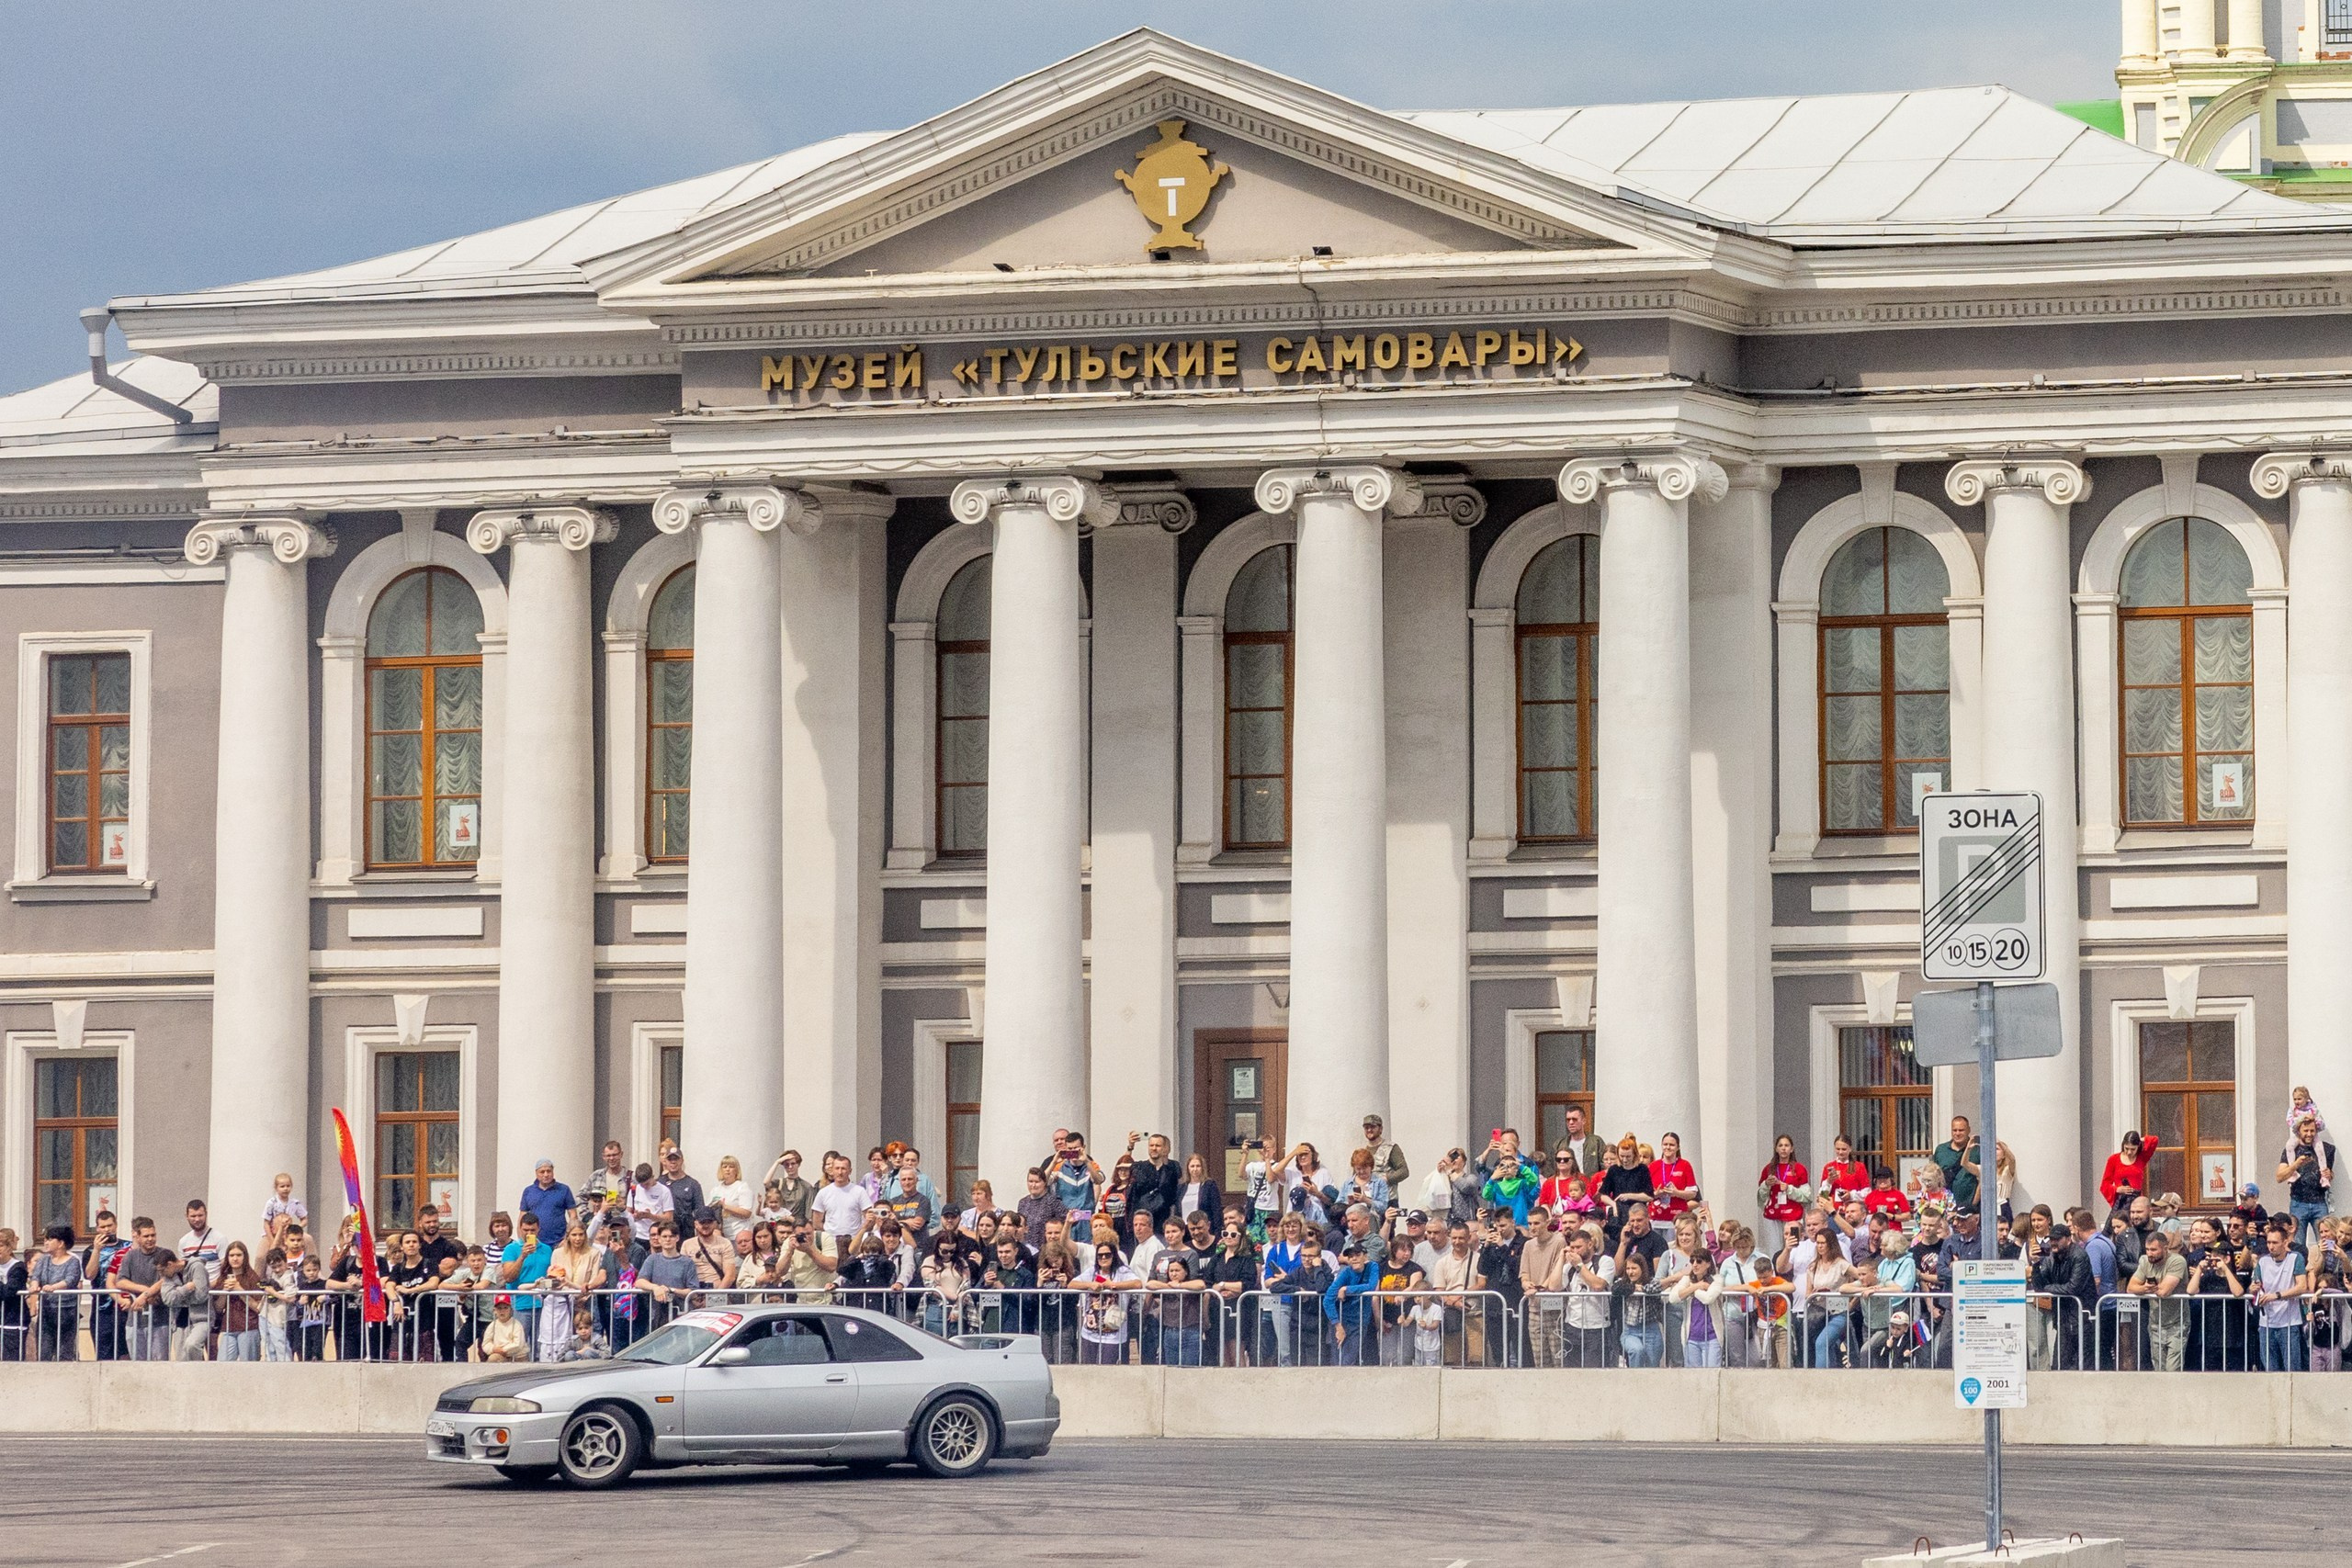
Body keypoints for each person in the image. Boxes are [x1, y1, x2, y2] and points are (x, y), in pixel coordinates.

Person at [2126, 1224, 2188, 1371]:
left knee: (2173, 1369)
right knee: (2159, 1369)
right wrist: (2144, 1288)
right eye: (2147, 1249)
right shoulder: (2145, 1261)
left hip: (2176, 1323)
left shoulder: (2177, 1261)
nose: (2150, 1254)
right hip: (2155, 1323)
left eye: (2154, 1250)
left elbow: (2164, 1291)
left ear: (2165, 1248)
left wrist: (2145, 1289)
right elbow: (2130, 1288)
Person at [2277, 1113, 2337, 1257]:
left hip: (2319, 1202)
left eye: (2312, 1130)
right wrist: (2296, 1164)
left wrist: (2330, 1175)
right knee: (2297, 1245)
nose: (2309, 1134)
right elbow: (2279, 1177)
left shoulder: (2327, 1149)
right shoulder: (2291, 1149)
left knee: (2327, 1242)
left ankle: (2327, 1272)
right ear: (2299, 1131)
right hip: (2298, 1202)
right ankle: (2301, 1273)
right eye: (2306, 1131)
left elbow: (2330, 1173)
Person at [2253, 1220, 2308, 1371]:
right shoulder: (2262, 1261)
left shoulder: (2295, 1258)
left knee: (2292, 1368)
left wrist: (2276, 1295)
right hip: (2266, 1323)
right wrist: (2253, 1288)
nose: (2271, 1246)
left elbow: (2302, 1286)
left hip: (2289, 1322)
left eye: (2275, 1242)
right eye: (2269, 1242)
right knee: (2270, 1369)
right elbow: (2256, 1285)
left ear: (2285, 1242)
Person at [1076, 1239, 1140, 1365]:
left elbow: (1137, 1283)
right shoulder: (1092, 1271)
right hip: (1090, 1331)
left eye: (1107, 1255)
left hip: (1113, 1333)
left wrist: (1113, 1285)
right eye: (1100, 1255)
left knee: (1107, 1369)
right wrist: (1090, 1284)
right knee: (1088, 1369)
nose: (1103, 1258)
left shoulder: (1122, 1271)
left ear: (1113, 1255)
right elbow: (1072, 1284)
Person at [1560, 1227, 1614, 1368]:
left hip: (1597, 1328)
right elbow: (1554, 1286)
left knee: (1594, 1374)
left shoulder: (1605, 1261)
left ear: (1590, 1244)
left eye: (1579, 1247)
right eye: (1572, 1247)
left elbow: (1598, 1285)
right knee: (1571, 1373)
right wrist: (1561, 1259)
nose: (1575, 1251)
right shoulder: (1569, 1266)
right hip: (1572, 1326)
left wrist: (1579, 1265)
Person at [1324, 1240, 1379, 1365]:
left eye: (1357, 1255)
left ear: (1365, 1256)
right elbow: (1327, 1299)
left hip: (1360, 1322)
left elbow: (1371, 1286)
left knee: (1349, 1360)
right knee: (1337, 1360)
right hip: (1342, 1321)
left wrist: (1347, 1289)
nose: (1354, 1259)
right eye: (1350, 1256)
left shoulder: (1373, 1266)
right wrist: (1338, 1326)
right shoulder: (1346, 1272)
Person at [213, 1240, 264, 1361]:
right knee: (223, 1364)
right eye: (231, 1255)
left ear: (245, 1257)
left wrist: (239, 1290)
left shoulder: (252, 1277)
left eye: (239, 1255)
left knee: (248, 1366)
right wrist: (225, 1291)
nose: (235, 1258)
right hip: (228, 1328)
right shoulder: (223, 1278)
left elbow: (258, 1307)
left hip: (248, 1327)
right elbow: (218, 1308)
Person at [1758, 1134, 1811, 1247]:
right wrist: (1766, 1185)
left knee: (1794, 1248)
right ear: (1776, 1149)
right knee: (1774, 1249)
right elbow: (1760, 1198)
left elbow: (1807, 1197)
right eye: (1780, 1145)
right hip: (1772, 1215)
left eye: (1786, 1145)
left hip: (1793, 1215)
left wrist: (1789, 1189)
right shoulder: (1768, 1168)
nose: (1783, 1148)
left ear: (1791, 1149)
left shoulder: (1799, 1169)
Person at [1612, 1252, 1665, 1368]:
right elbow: (1615, 1288)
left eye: (1634, 1268)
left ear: (1642, 1268)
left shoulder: (1651, 1281)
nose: (1630, 1272)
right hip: (1630, 1331)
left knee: (1652, 1366)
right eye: (1628, 1268)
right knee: (1636, 1350)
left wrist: (1642, 1288)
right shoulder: (1624, 1282)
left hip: (1651, 1330)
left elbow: (1655, 1287)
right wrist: (1634, 1287)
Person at [812, 1151, 872, 1242]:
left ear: (850, 1171)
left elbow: (869, 1217)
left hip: (853, 1241)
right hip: (830, 1242)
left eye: (843, 1169)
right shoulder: (823, 1192)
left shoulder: (859, 1191)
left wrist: (860, 1234)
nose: (840, 1172)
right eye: (837, 1168)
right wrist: (828, 1235)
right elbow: (816, 1222)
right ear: (832, 1170)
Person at [2098, 1131, 2159, 1213]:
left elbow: (2154, 1140)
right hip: (2121, 1202)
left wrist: (2140, 1139)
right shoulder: (2113, 1159)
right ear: (2123, 1145)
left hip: (2137, 1202)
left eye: (2133, 1149)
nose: (2129, 1152)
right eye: (2127, 1148)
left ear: (2138, 1147)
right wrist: (2116, 1189)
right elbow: (2104, 1185)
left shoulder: (2142, 1158)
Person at [1930, 1116, 1982, 1213]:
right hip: (1944, 1207)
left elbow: (1983, 1179)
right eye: (1955, 1130)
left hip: (1970, 1208)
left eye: (1961, 1130)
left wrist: (1974, 1203)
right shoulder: (1941, 1150)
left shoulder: (1977, 1150)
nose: (1957, 1133)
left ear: (1969, 1130)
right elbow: (1933, 1177)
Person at [1648, 1132, 1699, 1225]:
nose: (1668, 1147)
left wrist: (1676, 1193)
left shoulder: (1685, 1165)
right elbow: (1645, 1195)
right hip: (1655, 1218)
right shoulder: (1653, 1166)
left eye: (1671, 1145)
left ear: (1678, 1147)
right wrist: (1656, 1194)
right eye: (1665, 1144)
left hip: (1678, 1219)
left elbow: (1693, 1194)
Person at [707, 1156, 755, 1241]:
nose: (727, 1169)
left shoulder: (742, 1187)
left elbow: (746, 1213)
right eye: (724, 1167)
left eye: (731, 1167)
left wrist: (725, 1207)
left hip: (739, 1233)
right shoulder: (716, 1190)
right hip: (722, 1235)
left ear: (736, 1170)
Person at [1552, 1103, 1606, 1179]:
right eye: (1568, 1120)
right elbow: (1552, 1168)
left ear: (1583, 1121)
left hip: (1590, 1185)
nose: (1571, 1123)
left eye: (1574, 1119)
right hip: (1567, 1186)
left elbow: (1605, 1166)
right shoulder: (1560, 1144)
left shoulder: (1596, 1142)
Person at [1818, 1134, 1871, 1209]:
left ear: (1850, 1149)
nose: (1840, 1152)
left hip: (1852, 1209)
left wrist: (1851, 1195)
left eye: (1844, 1149)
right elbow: (1822, 1196)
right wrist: (1829, 1182)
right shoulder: (1829, 1167)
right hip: (1833, 1210)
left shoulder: (1859, 1167)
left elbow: (1867, 1193)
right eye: (1838, 1149)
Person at [763, 1150, 816, 1224]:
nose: (790, 1167)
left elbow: (809, 1214)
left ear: (798, 1164)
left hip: (797, 1225)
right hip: (779, 1225)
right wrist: (777, 1162)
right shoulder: (779, 1183)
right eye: (787, 1164)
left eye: (793, 1164)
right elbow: (766, 1182)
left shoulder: (806, 1186)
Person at [1362, 1113, 1410, 1191]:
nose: (1369, 1130)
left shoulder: (1391, 1148)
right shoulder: (1362, 1153)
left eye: (1373, 1127)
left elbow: (1404, 1171)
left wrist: (1387, 1178)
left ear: (1380, 1129)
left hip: (1388, 1198)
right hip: (1368, 1198)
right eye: (1366, 1128)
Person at [261, 1173, 308, 1252]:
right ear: (276, 1188)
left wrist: (296, 1229)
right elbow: (266, 1224)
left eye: (288, 1186)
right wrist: (272, 1241)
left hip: (289, 1235)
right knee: (261, 1256)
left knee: (308, 1239)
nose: (285, 1189)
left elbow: (305, 1219)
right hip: (272, 1234)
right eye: (282, 1186)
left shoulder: (295, 1203)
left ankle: (312, 1263)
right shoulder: (271, 1203)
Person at [658, 1147, 706, 1221]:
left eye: (676, 1159)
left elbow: (700, 1212)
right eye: (670, 1159)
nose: (673, 1162)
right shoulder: (660, 1182)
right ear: (665, 1161)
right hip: (665, 1228)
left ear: (682, 1161)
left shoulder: (693, 1184)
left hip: (685, 1229)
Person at [479, 1294, 528, 1362]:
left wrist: (503, 1350)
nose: (502, 1311)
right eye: (499, 1308)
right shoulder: (492, 1325)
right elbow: (486, 1343)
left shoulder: (516, 1325)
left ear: (510, 1310)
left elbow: (518, 1344)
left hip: (518, 1357)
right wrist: (493, 1349)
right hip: (499, 1355)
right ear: (494, 1311)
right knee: (493, 1359)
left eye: (505, 1308)